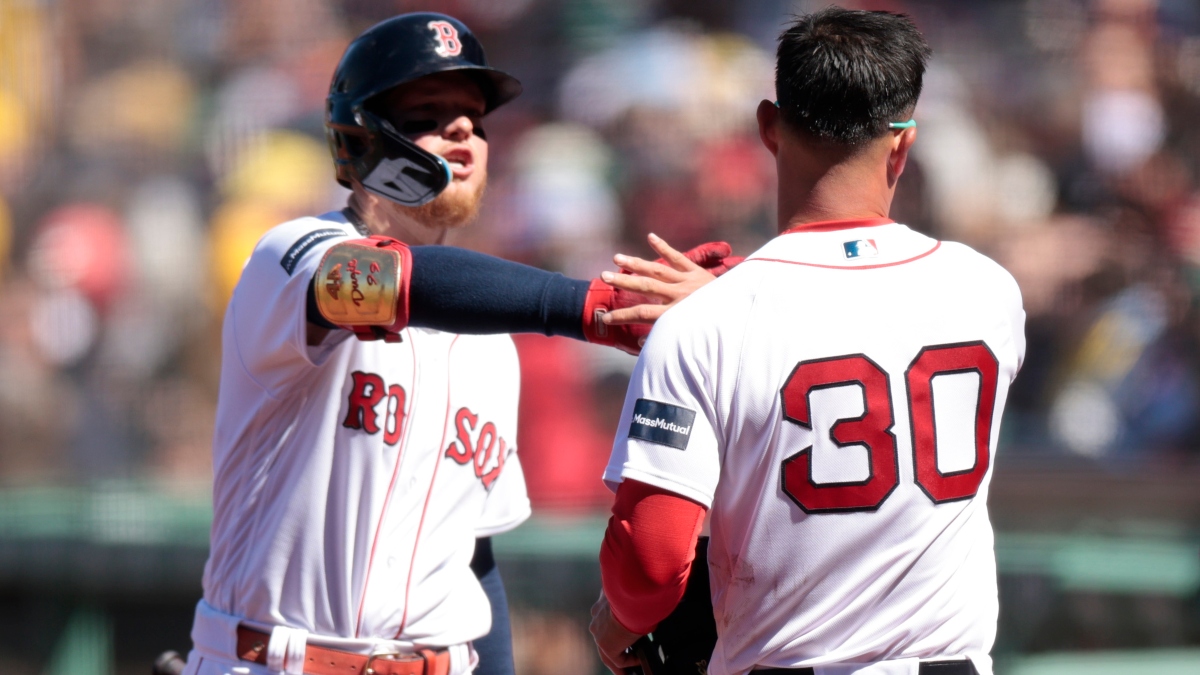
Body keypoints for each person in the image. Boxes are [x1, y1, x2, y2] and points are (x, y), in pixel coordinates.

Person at [179, 12, 732, 675]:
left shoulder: (492, 340)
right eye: (429, 112)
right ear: (360, 141)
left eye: (475, 116)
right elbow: (398, 281)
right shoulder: (291, 255)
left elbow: (471, 563)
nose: (465, 129)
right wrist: (587, 307)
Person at [590, 8, 1025, 675]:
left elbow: (650, 565)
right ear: (903, 144)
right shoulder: (988, 291)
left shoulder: (708, 326)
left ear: (769, 126)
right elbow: (861, 306)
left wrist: (617, 620)